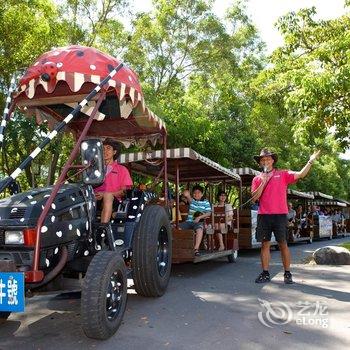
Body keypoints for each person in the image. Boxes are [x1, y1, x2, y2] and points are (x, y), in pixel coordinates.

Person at [251, 148, 320, 284]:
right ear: (260, 163)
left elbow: (301, 174)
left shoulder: (282, 174)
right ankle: (265, 273)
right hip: (264, 215)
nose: (265, 161)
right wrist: (263, 181)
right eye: (263, 159)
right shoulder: (257, 178)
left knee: (283, 244)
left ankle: (287, 273)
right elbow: (254, 199)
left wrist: (310, 161)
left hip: (280, 215)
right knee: (265, 244)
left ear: (273, 161)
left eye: (268, 159)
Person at [94, 138, 133, 223]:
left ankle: (103, 227)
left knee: (108, 196)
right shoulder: (93, 169)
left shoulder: (122, 170)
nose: (105, 151)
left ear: (114, 152)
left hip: (115, 202)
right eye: (103, 149)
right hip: (95, 200)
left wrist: (104, 194)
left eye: (108, 148)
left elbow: (124, 192)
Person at [180, 185, 212, 256]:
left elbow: (209, 213)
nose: (196, 194)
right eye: (194, 193)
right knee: (177, 227)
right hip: (188, 222)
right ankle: (178, 247)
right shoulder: (192, 201)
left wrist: (199, 217)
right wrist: (187, 194)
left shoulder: (206, 202)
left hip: (199, 223)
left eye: (198, 193)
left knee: (199, 229)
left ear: (202, 194)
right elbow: (187, 196)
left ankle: (196, 249)